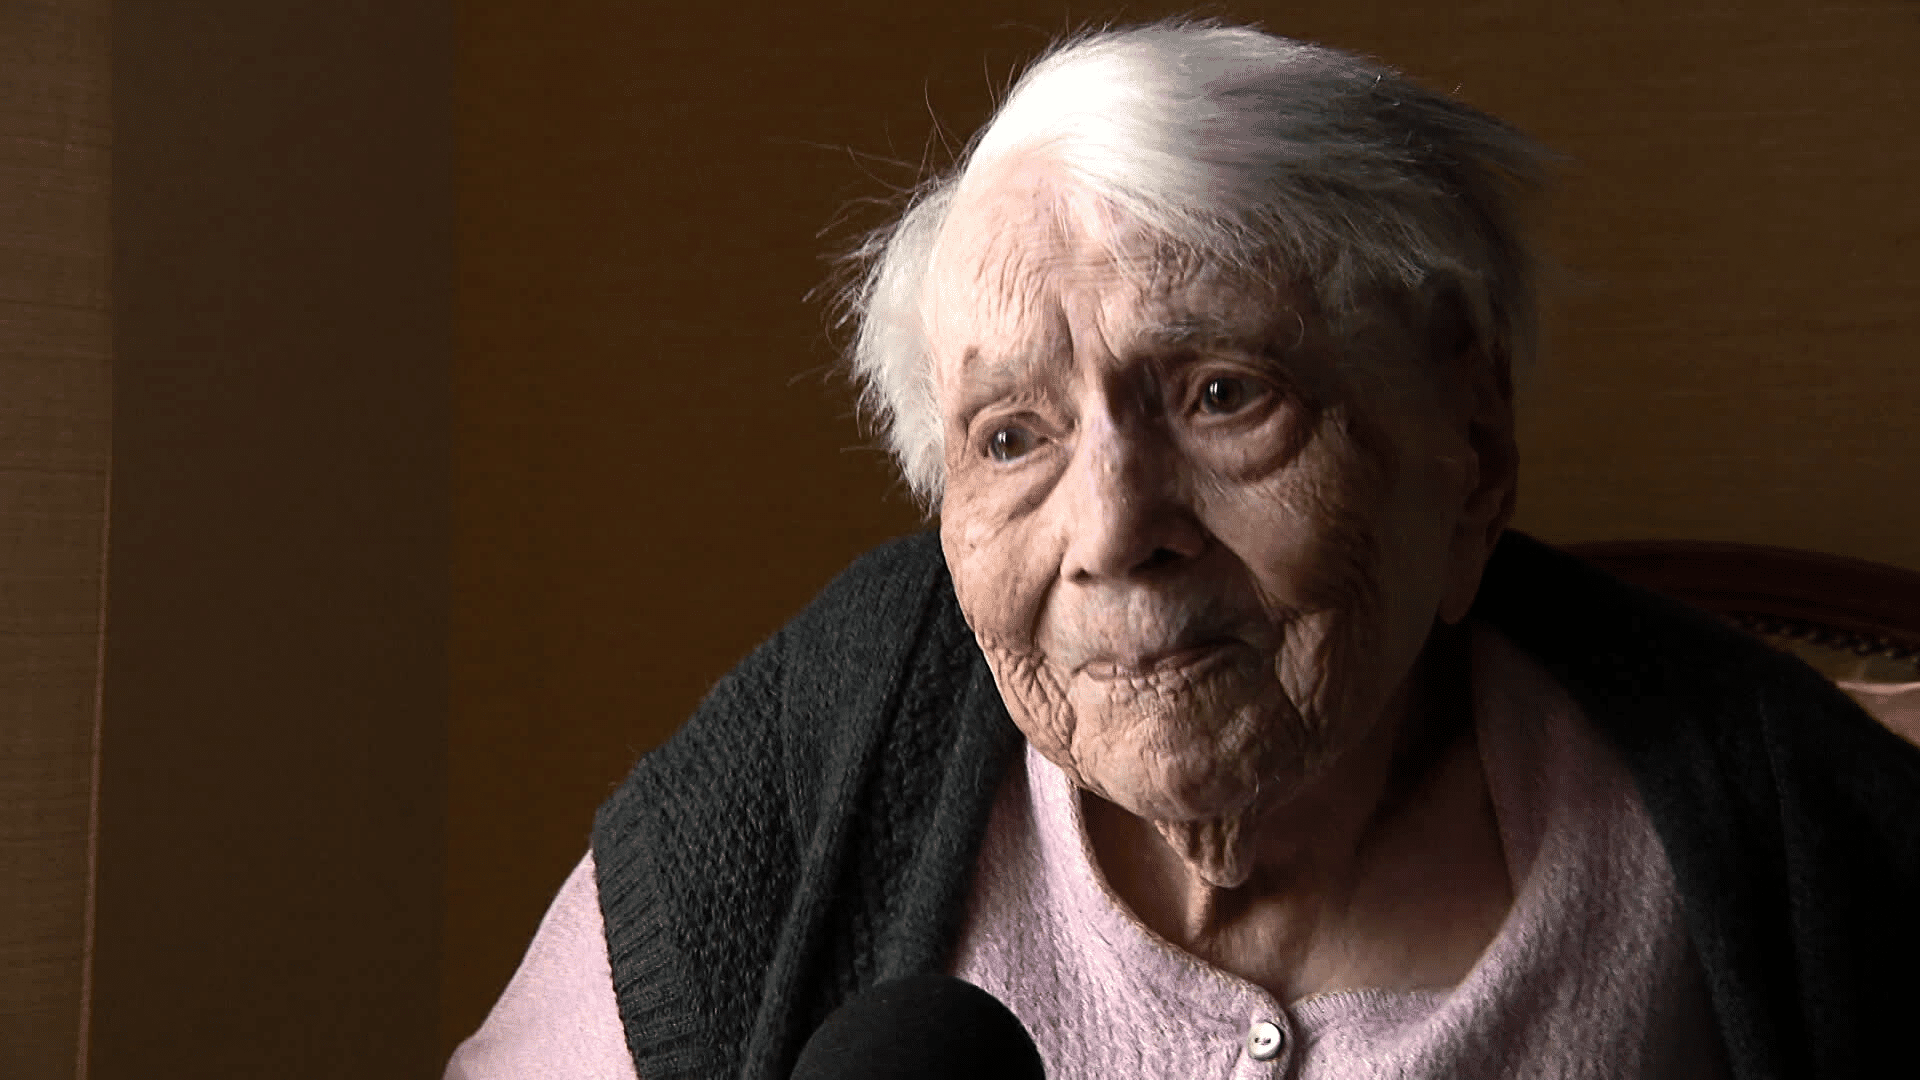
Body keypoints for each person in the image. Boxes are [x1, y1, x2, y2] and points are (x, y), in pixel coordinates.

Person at [447, 20, 1920, 1080]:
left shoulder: (1763, 839)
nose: (1112, 536)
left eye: (1224, 397)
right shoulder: (808, 762)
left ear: (1468, 439)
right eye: (1013, 438)